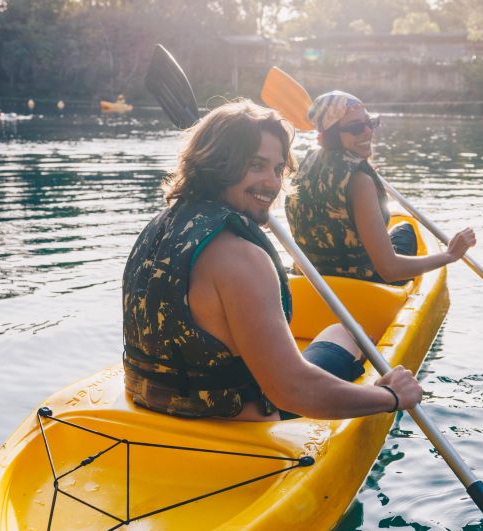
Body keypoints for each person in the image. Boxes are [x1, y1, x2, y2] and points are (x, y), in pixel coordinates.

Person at [122, 100, 423, 421]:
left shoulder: (158, 226)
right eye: (256, 165)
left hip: (151, 399)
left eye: (277, 169)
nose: (272, 182)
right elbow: (292, 392)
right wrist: (389, 396)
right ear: (219, 164)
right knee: (343, 333)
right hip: (238, 416)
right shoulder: (241, 257)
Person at [285, 91, 476, 285]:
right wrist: (450, 255)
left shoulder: (308, 161)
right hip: (362, 285)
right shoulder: (360, 181)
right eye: (357, 127)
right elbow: (389, 270)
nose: (368, 131)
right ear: (332, 134)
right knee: (406, 231)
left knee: (400, 229)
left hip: (311, 279)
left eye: (371, 122)